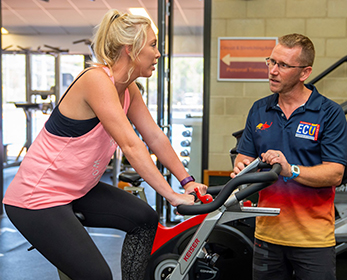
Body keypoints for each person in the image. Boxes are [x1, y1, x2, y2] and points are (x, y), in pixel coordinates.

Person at [3, 10, 207, 280]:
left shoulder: (128, 88)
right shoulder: (96, 80)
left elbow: (154, 136)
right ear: (130, 50)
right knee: (97, 276)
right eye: (153, 45)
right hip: (38, 200)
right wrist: (172, 196)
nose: (158, 54)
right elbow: (131, 145)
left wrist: (187, 181)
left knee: (144, 219)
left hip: (76, 190)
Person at [231, 33, 347, 280]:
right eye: (271, 62)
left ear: (304, 73)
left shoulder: (329, 113)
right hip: (267, 238)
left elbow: (335, 173)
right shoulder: (260, 109)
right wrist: (241, 166)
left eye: (283, 65)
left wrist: (290, 169)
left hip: (313, 241)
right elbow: (243, 157)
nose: (272, 71)